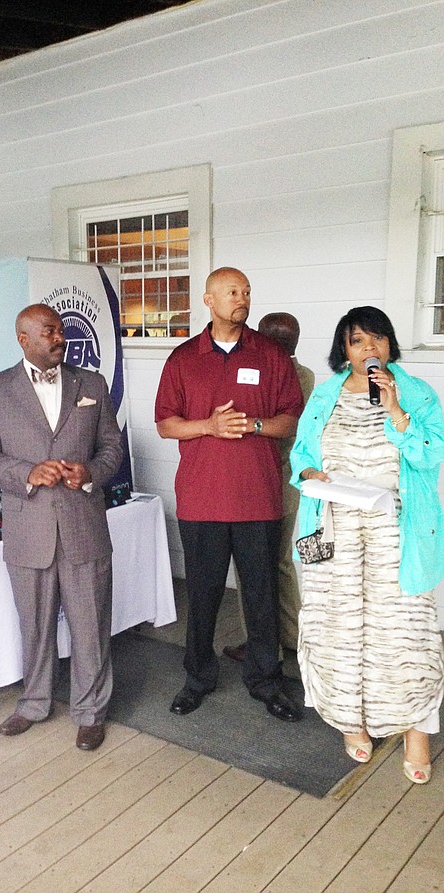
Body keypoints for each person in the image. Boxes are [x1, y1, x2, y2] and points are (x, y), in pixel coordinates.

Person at [290, 306, 444, 783]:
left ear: (389, 345)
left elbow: (430, 455)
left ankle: (416, 729)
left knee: (404, 630)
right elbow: (300, 455)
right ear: (344, 350)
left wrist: (396, 410)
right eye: (357, 341)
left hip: (395, 528)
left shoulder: (416, 393)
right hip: (333, 524)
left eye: (377, 339)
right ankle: (350, 720)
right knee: (338, 626)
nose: (369, 349)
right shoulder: (324, 395)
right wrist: (308, 473)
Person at [0, 304, 123, 751]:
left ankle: (90, 711)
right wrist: (26, 472)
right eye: (50, 331)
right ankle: (34, 702)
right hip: (28, 528)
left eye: (60, 330)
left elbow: (113, 445)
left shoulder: (90, 383)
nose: (60, 338)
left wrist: (90, 471)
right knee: (33, 625)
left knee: (90, 624)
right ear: (24, 338)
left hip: (83, 525)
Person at [154, 267, 305, 722]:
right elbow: (165, 424)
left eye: (247, 292)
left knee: (261, 596)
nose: (242, 299)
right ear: (208, 300)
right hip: (202, 501)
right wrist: (210, 426)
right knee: (202, 596)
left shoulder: (271, 356)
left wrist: (255, 425)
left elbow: (290, 420)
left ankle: (266, 680)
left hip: (258, 499)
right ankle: (197, 678)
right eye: (232, 292)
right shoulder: (183, 358)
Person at [223, 313, 315, 671]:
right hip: (291, 486)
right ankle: (294, 638)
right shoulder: (305, 375)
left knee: (252, 570)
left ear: (270, 341)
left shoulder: (268, 374)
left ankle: (261, 646)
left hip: (261, 485)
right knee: (279, 564)